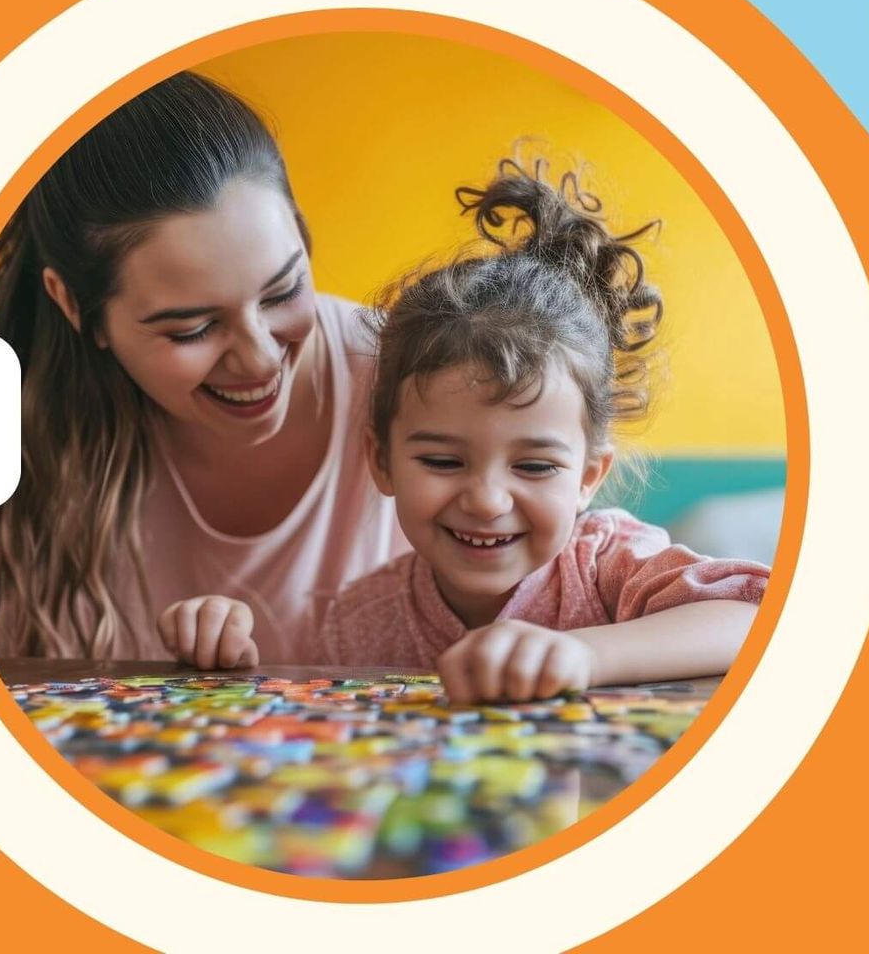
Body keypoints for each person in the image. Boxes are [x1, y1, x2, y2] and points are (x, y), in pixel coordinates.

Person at [157, 158, 767, 701]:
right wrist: (225, 657)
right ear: (383, 462)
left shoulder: (608, 565)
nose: (486, 500)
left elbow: (755, 617)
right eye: (444, 462)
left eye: (534, 466)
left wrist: (588, 653)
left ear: (587, 477)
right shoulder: (358, 618)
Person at [0, 72, 405, 661]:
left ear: (299, 228)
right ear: (72, 304)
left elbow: (566, 587)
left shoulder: (420, 376)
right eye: (192, 328)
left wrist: (570, 646)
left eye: (283, 292)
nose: (260, 357)